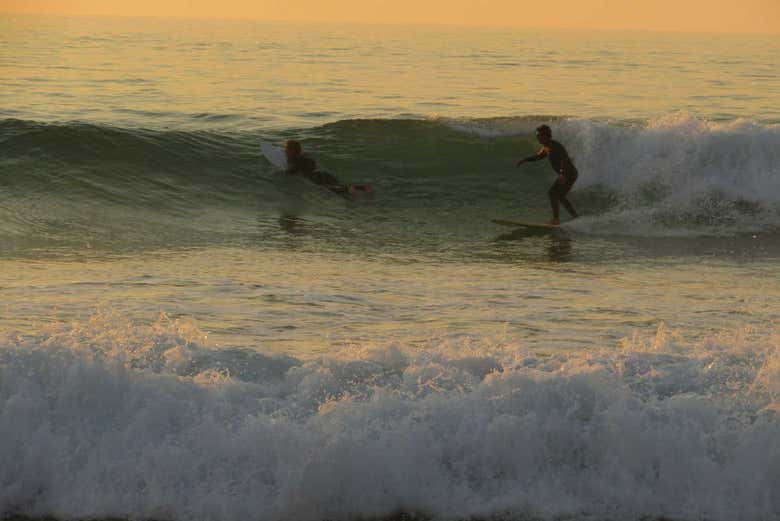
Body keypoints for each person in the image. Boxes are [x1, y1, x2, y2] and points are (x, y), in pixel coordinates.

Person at [515, 125, 579, 225]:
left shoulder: (554, 146)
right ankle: (575, 216)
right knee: (560, 196)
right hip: (570, 173)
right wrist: (524, 160)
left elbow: (564, 159)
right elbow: (539, 156)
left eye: (539, 136)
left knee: (552, 193)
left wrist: (563, 174)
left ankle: (556, 219)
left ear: (545, 136)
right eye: (537, 136)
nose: (537, 138)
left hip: (568, 173)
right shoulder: (547, 147)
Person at [284, 140, 371, 197]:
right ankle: (363, 188)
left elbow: (289, 173)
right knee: (339, 185)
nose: (285, 151)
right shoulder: (305, 157)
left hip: (316, 178)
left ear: (292, 150)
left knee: (331, 190)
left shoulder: (297, 162)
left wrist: (286, 170)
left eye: (286, 149)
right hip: (323, 173)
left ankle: (351, 191)